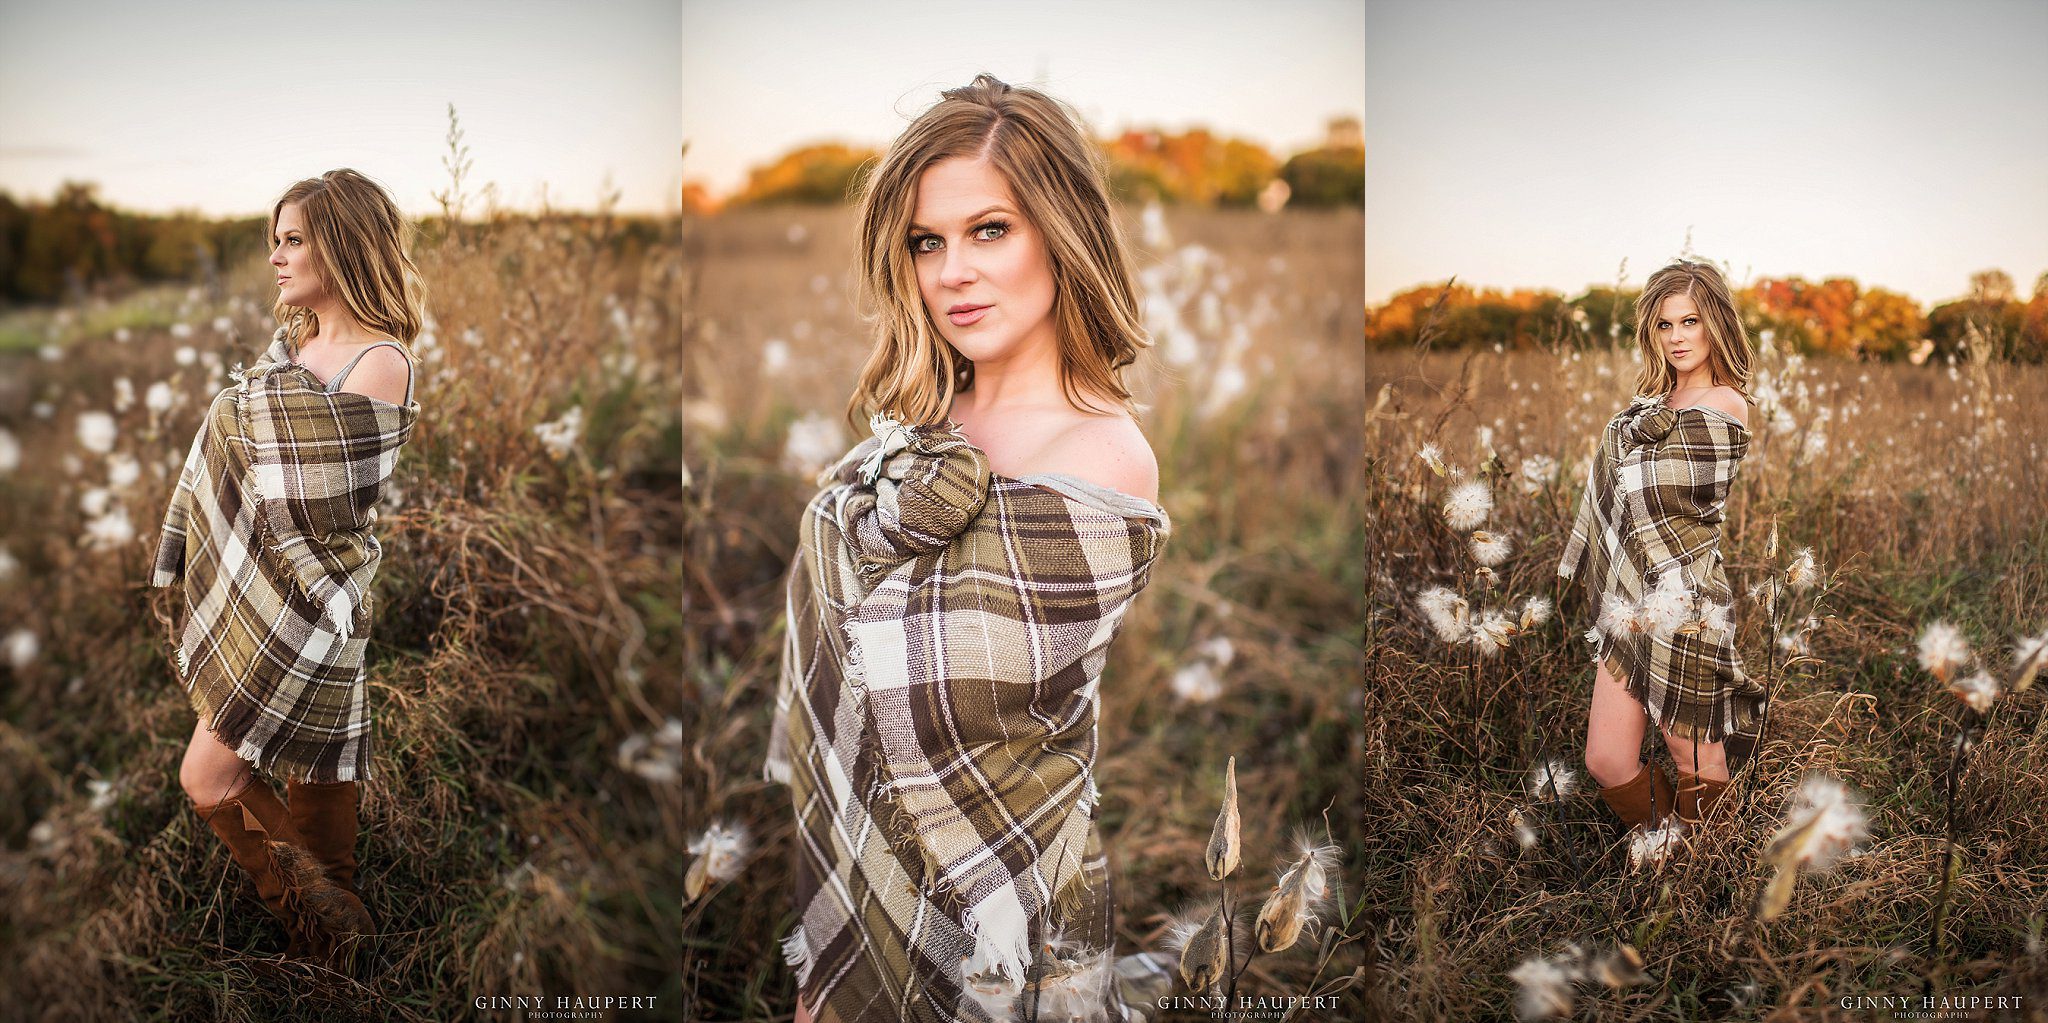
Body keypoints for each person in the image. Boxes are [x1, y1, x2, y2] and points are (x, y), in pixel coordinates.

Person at [764, 75, 1169, 1022]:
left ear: (1061, 233)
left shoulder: (1099, 456)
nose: (952, 272)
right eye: (926, 241)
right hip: (856, 858)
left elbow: (966, 699)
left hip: (1000, 882)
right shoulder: (920, 417)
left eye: (991, 230)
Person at [152, 168, 422, 966]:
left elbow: (307, 500)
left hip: (312, 600)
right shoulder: (297, 347)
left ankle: (331, 924)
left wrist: (242, 411)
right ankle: (329, 941)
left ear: (341, 244)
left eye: (294, 239)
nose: (276, 256)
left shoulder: (379, 359)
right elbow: (254, 459)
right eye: (275, 240)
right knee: (313, 767)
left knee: (207, 778)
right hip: (265, 592)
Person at [1557, 258, 1766, 845]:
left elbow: (1665, 488)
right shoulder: (1649, 407)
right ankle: (1665, 845)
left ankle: (1707, 872)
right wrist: (1630, 428)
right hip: (1628, 601)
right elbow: (1622, 489)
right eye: (1665, 326)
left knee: (1696, 760)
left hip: (1684, 603)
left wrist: (1630, 432)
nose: (1677, 338)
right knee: (1605, 758)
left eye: (1690, 322)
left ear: (1715, 325)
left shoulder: (1724, 406)